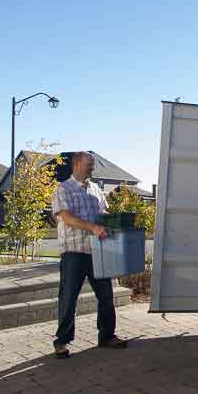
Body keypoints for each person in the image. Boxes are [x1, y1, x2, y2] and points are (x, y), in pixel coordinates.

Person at [50, 151, 128, 358]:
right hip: (74, 252)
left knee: (106, 296)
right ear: (76, 164)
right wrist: (92, 227)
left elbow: (103, 214)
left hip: (98, 251)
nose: (92, 169)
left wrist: (118, 222)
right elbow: (66, 217)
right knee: (68, 298)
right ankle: (62, 341)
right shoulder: (63, 189)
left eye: (92, 165)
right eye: (89, 165)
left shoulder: (95, 189)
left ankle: (107, 336)